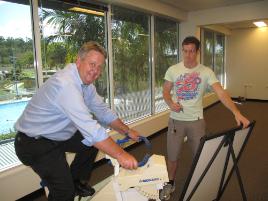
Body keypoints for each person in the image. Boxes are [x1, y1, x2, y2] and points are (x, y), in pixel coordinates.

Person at [14, 41, 140, 201]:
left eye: (99, 67)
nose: (95, 70)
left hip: (56, 134)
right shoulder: (66, 84)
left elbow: (102, 111)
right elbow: (92, 129)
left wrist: (127, 131)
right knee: (64, 191)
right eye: (92, 64)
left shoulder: (86, 85)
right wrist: (121, 155)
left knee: (89, 144)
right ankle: (66, 188)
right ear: (79, 62)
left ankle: (75, 182)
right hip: (33, 143)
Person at [162, 36, 250, 192]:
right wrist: (170, 103)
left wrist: (236, 112)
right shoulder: (173, 70)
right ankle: (170, 182)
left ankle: (200, 185)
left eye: (192, 51)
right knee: (173, 156)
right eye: (185, 51)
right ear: (182, 50)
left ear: (197, 51)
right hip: (176, 121)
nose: (188, 55)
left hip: (196, 121)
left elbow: (221, 93)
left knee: (201, 157)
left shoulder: (206, 71)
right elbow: (166, 91)